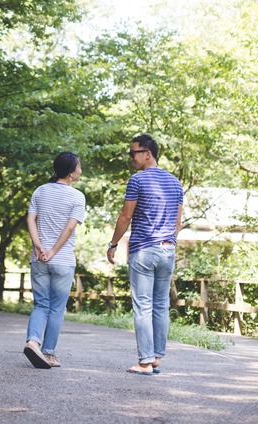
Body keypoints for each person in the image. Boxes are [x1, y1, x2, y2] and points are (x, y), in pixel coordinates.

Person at [106, 133, 183, 376]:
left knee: (143, 306)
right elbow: (177, 221)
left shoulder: (137, 180)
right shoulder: (175, 183)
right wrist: (169, 243)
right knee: (161, 305)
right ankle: (157, 357)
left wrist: (113, 243)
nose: (130, 158)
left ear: (147, 154)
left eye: (133, 153)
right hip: (167, 249)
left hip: (143, 251)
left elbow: (126, 217)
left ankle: (145, 362)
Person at [23, 152, 86, 370]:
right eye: (79, 166)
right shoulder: (77, 197)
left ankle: (33, 341)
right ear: (70, 173)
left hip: (38, 258)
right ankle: (48, 353)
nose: (81, 169)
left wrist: (39, 246)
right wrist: (53, 251)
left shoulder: (40, 191)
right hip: (62, 259)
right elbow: (70, 227)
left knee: (41, 304)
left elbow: (30, 219)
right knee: (57, 308)